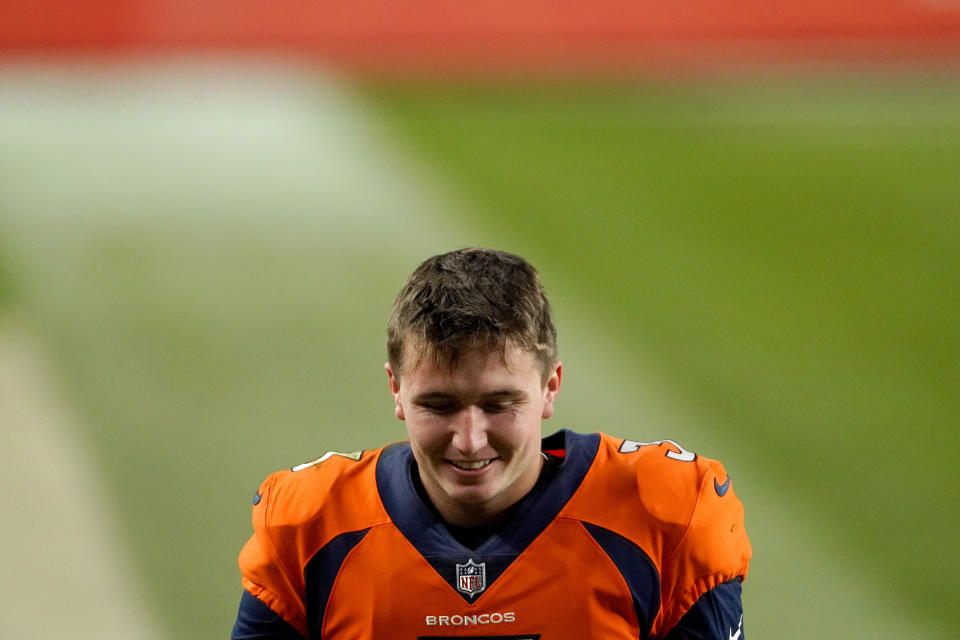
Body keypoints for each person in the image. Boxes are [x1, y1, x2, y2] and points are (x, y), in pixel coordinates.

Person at [232, 248, 751, 639]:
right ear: (396, 389)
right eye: (439, 405)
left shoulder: (667, 515)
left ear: (551, 387)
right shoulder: (309, 528)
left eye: (500, 404)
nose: (469, 439)